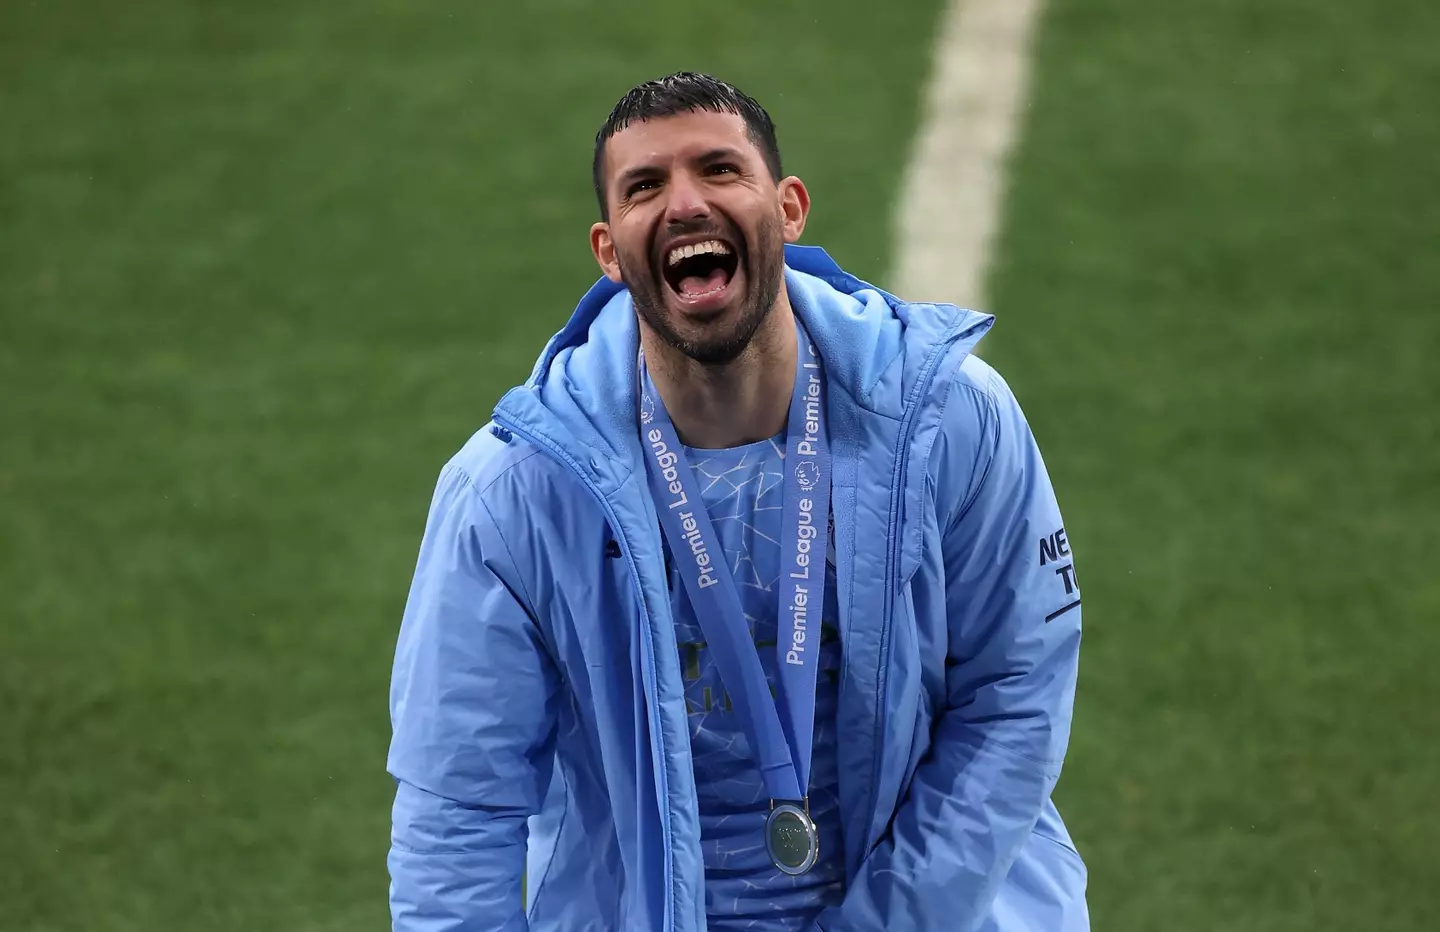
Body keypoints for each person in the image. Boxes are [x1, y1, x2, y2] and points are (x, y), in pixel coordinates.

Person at [386, 71, 1088, 932]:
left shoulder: (952, 421)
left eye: (719, 170)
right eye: (645, 186)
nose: (684, 203)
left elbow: (1013, 696)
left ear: (789, 210)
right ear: (609, 251)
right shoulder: (513, 492)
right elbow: (458, 807)